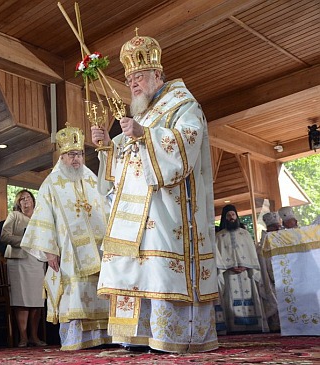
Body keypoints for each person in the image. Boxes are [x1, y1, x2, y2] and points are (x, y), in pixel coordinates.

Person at [90, 29, 218, 353]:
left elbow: (187, 143)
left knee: (160, 268)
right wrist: (108, 147)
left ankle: (169, 335)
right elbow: (125, 164)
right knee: (135, 267)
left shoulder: (183, 104)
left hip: (168, 207)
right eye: (130, 78)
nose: (133, 83)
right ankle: (136, 335)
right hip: (133, 212)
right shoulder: (142, 113)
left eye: (139, 76)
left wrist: (146, 134)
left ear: (157, 73)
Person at [21, 125, 111, 351]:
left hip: (98, 248)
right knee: (76, 293)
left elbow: (105, 208)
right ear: (61, 157)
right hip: (69, 251)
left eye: (79, 154)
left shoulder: (91, 178)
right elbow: (43, 219)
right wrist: (50, 251)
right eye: (71, 154)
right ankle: (77, 339)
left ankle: (104, 336)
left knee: (99, 291)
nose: (76, 159)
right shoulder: (51, 183)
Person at [1, 189, 46, 348]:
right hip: (19, 260)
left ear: (33, 200)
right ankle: (23, 337)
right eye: (22, 199)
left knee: (36, 300)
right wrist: (25, 240)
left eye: (28, 198)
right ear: (18, 203)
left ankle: (34, 336)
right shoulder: (14, 216)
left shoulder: (41, 216)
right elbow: (4, 236)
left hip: (37, 260)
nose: (26, 201)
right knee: (22, 300)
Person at [215, 204, 268, 334]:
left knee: (250, 297)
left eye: (233, 215)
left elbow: (252, 254)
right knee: (231, 299)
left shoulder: (244, 234)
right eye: (228, 215)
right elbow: (218, 256)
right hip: (229, 273)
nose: (231, 217)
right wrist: (229, 266)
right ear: (224, 218)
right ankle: (234, 328)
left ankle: (253, 328)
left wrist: (246, 265)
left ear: (236, 216)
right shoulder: (219, 236)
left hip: (246, 273)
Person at [256, 212, 281, 332]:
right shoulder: (262, 245)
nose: (277, 229)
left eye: (278, 226)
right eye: (274, 227)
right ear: (268, 228)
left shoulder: (283, 241)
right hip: (269, 280)